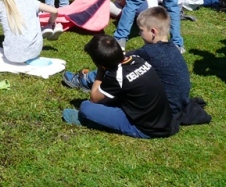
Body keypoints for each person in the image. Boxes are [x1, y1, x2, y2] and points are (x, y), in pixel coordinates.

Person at [63, 7, 191, 115]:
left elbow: (117, 59)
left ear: (153, 32)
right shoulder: (173, 48)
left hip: (162, 108)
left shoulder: (149, 52)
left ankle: (85, 80)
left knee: (117, 65)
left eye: (141, 30)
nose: (140, 34)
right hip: (179, 103)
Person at [62, 34, 178, 138]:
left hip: (146, 128)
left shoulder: (117, 76)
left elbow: (94, 98)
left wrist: (100, 71)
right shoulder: (138, 60)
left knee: (86, 107)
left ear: (102, 65)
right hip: (166, 120)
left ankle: (99, 122)